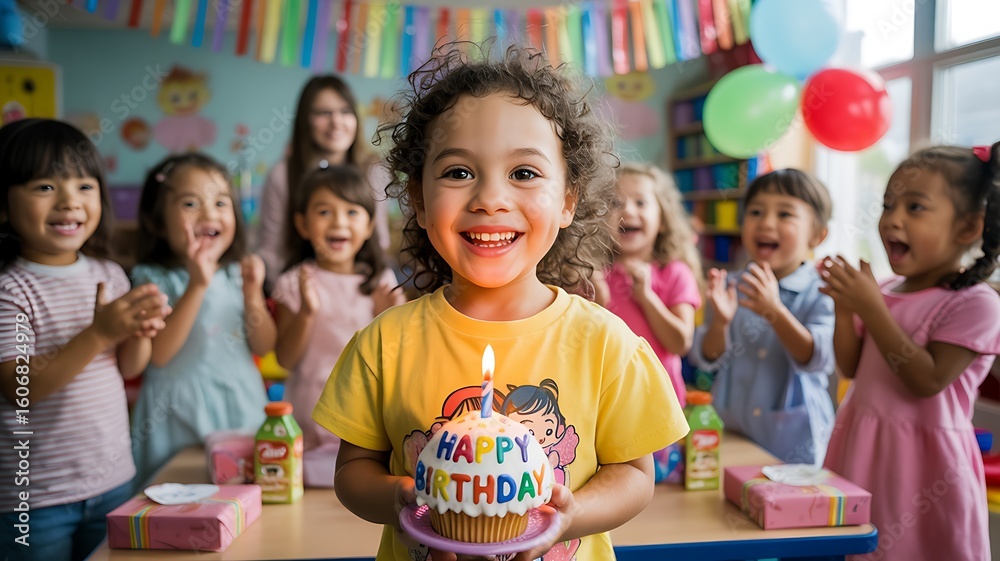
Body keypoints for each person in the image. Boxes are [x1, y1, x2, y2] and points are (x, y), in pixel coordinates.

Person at [312, 43, 689, 561]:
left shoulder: (607, 342)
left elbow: (634, 476)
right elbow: (353, 473)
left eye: (525, 173)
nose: (490, 198)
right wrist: (400, 499)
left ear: (568, 199)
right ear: (419, 201)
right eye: (458, 172)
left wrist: (572, 515)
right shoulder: (384, 343)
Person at [820, 143, 1000, 561]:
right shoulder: (882, 290)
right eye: (887, 204)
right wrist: (846, 310)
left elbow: (927, 379)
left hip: (923, 465)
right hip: (860, 446)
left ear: (968, 227)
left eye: (915, 207)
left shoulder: (976, 302)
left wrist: (869, 307)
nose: (892, 219)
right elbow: (850, 365)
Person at [0, 119, 170, 561]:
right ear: (3, 204)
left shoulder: (108, 274)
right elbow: (21, 388)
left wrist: (139, 333)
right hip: (35, 499)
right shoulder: (10, 288)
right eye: (44, 187)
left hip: (113, 479)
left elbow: (129, 366)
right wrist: (99, 333)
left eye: (84, 186)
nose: (69, 201)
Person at [130, 153, 276, 486]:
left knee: (243, 498)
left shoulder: (236, 275)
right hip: (174, 416)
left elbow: (265, 345)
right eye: (190, 203)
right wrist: (197, 283)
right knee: (175, 501)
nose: (209, 213)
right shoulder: (152, 278)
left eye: (221, 203)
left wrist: (253, 293)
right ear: (156, 221)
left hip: (240, 405)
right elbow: (160, 355)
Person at [689, 169, 836, 465]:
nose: (766, 223)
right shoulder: (730, 284)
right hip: (730, 431)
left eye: (785, 214)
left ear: (817, 235)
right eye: (755, 212)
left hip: (791, 444)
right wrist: (720, 323)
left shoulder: (822, 290)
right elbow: (706, 357)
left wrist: (774, 311)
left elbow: (817, 358)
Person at [272, 165, 404, 475]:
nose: (339, 222)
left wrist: (387, 314)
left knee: (359, 480)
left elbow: (400, 357)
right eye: (324, 212)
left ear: (370, 225)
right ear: (303, 225)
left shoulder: (381, 281)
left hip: (364, 414)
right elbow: (285, 359)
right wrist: (306, 312)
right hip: (310, 412)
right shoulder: (295, 281)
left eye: (351, 212)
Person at [257, 75, 391, 292]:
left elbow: (380, 241)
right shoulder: (283, 174)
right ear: (305, 120)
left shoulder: (374, 171)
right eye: (323, 113)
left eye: (345, 111)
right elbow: (271, 249)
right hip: (298, 289)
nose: (336, 122)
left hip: (359, 287)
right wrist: (286, 295)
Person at [597, 162, 703, 406]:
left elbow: (680, 343)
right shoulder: (592, 275)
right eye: (615, 203)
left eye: (641, 202)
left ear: (663, 219)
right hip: (607, 402)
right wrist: (597, 303)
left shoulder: (675, 273)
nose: (628, 211)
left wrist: (646, 298)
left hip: (657, 403)